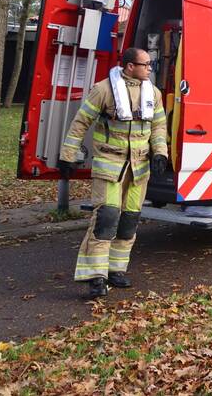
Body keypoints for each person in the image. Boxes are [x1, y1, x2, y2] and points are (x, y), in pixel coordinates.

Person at [58, 48, 169, 299]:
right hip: (110, 166)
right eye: (146, 64)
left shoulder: (153, 93)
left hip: (139, 170)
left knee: (129, 220)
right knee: (106, 219)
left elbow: (159, 125)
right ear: (130, 66)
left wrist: (160, 152)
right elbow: (80, 122)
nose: (150, 68)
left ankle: (115, 270)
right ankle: (96, 277)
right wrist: (68, 155)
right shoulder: (103, 90)